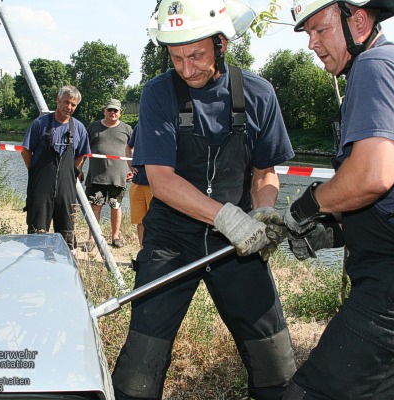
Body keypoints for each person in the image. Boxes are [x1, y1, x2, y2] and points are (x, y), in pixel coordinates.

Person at [280, 1, 394, 398]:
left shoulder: (375, 66)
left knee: (320, 390)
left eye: (319, 30)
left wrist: (306, 207)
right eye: (308, 34)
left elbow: (372, 177)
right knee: (379, 387)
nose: (311, 44)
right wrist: (333, 233)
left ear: (359, 20)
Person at [111, 1, 297, 399]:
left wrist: (262, 210)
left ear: (221, 43)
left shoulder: (259, 93)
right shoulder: (157, 94)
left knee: (276, 362)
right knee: (139, 368)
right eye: (176, 57)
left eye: (196, 55)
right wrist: (225, 217)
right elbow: (160, 181)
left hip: (237, 244)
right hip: (171, 241)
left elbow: (265, 171)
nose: (186, 68)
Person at [21, 85, 90, 250]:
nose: (69, 107)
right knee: (37, 234)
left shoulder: (79, 128)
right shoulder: (40, 124)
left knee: (66, 234)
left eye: (73, 105)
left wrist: (72, 171)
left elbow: (82, 155)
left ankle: (63, 268)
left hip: (66, 189)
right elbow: (25, 152)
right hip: (41, 188)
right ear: (57, 100)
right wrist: (36, 172)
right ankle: (36, 266)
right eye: (66, 102)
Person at [84, 99, 133, 250]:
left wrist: (132, 168)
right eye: (110, 110)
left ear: (120, 112)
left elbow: (133, 149)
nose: (112, 113)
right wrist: (77, 168)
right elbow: (83, 148)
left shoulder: (127, 129)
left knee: (115, 206)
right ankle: (92, 238)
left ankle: (115, 237)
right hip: (96, 176)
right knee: (95, 207)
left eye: (115, 110)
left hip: (118, 177)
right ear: (104, 110)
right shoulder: (93, 127)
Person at [125, 126, 152, 249]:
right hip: (138, 182)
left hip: (155, 185)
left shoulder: (166, 123)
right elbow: (128, 147)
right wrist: (131, 164)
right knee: (140, 222)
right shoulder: (140, 126)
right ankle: (142, 251)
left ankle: (155, 252)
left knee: (155, 222)